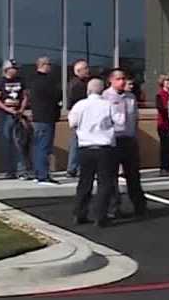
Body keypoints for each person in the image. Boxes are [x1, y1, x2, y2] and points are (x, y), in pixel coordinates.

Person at [69, 78, 125, 228]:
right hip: (104, 147)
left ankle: (79, 213)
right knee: (104, 183)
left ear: (88, 90)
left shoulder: (79, 105)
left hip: (85, 147)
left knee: (84, 182)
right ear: (102, 91)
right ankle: (100, 216)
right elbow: (120, 123)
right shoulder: (109, 105)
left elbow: (72, 123)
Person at [103, 69, 145, 216]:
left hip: (129, 140)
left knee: (133, 174)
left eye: (123, 79)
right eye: (119, 79)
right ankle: (113, 208)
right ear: (111, 80)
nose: (122, 82)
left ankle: (140, 206)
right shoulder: (105, 97)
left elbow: (135, 118)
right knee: (111, 176)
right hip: (113, 140)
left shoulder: (131, 97)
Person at [0, 60, 30, 180]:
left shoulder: (21, 81)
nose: (16, 70)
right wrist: (9, 110)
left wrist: (21, 110)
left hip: (18, 115)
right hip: (5, 115)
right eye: (13, 68)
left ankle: (21, 170)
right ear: (7, 69)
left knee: (19, 142)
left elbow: (25, 97)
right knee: (7, 143)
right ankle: (10, 170)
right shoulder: (0, 83)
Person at [28, 56, 62, 185]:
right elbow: (56, 95)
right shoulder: (46, 81)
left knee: (38, 146)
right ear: (43, 65)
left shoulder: (33, 80)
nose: (50, 67)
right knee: (44, 147)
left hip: (37, 117)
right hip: (46, 117)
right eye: (49, 64)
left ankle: (38, 173)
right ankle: (43, 175)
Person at [65, 59, 90, 177]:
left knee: (78, 142)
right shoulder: (77, 85)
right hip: (80, 117)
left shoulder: (81, 83)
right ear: (78, 71)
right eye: (85, 68)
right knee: (77, 142)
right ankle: (73, 167)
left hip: (81, 117)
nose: (87, 70)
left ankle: (76, 167)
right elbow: (74, 103)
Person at [155, 74, 169, 176]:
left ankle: (168, 165)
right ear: (162, 83)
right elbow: (161, 108)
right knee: (165, 146)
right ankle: (163, 167)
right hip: (163, 124)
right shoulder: (160, 94)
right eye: (166, 81)